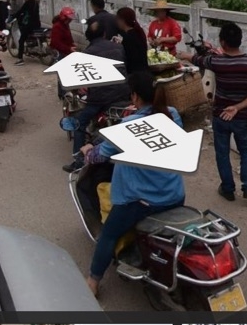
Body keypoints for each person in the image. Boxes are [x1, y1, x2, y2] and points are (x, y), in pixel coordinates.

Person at [78, 72, 185, 297]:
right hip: (175, 194)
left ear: (135, 96)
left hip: (141, 202)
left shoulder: (128, 125)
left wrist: (87, 151)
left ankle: (93, 281)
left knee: (109, 234)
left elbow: (100, 156)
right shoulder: (172, 114)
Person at [185, 23, 247, 202]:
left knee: (222, 153)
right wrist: (237, 107)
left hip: (220, 115)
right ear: (240, 40)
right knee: (246, 152)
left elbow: (198, 60)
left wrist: (184, 55)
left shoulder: (217, 61)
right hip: (242, 117)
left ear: (222, 42)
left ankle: (228, 189)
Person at [62, 34, 130, 172]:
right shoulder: (119, 47)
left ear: (89, 38)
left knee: (80, 123)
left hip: (100, 99)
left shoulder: (88, 53)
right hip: (122, 94)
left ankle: (79, 162)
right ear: (105, 34)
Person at [11, 0, 41, 65]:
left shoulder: (28, 3)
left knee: (21, 41)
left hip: (29, 25)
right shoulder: (36, 3)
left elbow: (21, 11)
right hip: (37, 24)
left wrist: (13, 16)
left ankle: (20, 59)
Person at [115, 7, 149, 75]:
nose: (117, 22)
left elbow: (129, 59)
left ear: (122, 20)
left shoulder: (128, 38)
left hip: (135, 75)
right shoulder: (138, 32)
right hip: (145, 72)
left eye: (117, 19)